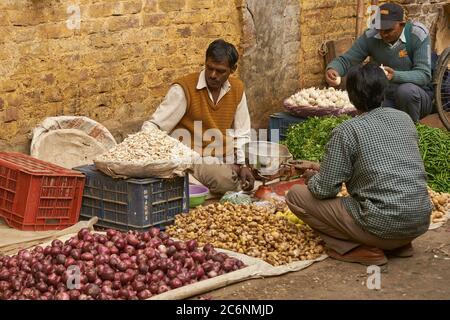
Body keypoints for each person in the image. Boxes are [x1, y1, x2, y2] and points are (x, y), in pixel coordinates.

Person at [286, 63, 432, 266]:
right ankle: (400, 245)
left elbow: (325, 190)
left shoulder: (347, 130)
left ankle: (359, 249)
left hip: (382, 224)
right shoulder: (404, 119)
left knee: (296, 196)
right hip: (419, 220)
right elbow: (378, 165)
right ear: (383, 93)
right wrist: (319, 166)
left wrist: (312, 179)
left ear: (351, 98)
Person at [142, 39, 255, 194]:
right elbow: (154, 126)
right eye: (209, 68)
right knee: (225, 181)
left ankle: (220, 175)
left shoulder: (237, 89)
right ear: (205, 63)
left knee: (260, 166)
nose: (213, 75)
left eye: (220, 71)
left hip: (220, 153)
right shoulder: (184, 89)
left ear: (233, 69)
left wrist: (243, 164)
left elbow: (242, 133)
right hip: (190, 156)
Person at [326, 2, 433, 122]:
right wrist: (333, 69)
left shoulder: (417, 35)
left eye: (388, 30)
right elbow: (348, 59)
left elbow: (424, 75)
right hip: (385, 96)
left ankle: (411, 129)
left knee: (405, 91)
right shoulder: (371, 35)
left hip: (417, 98)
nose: (383, 34)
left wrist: (395, 75)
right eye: (380, 29)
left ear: (402, 24)